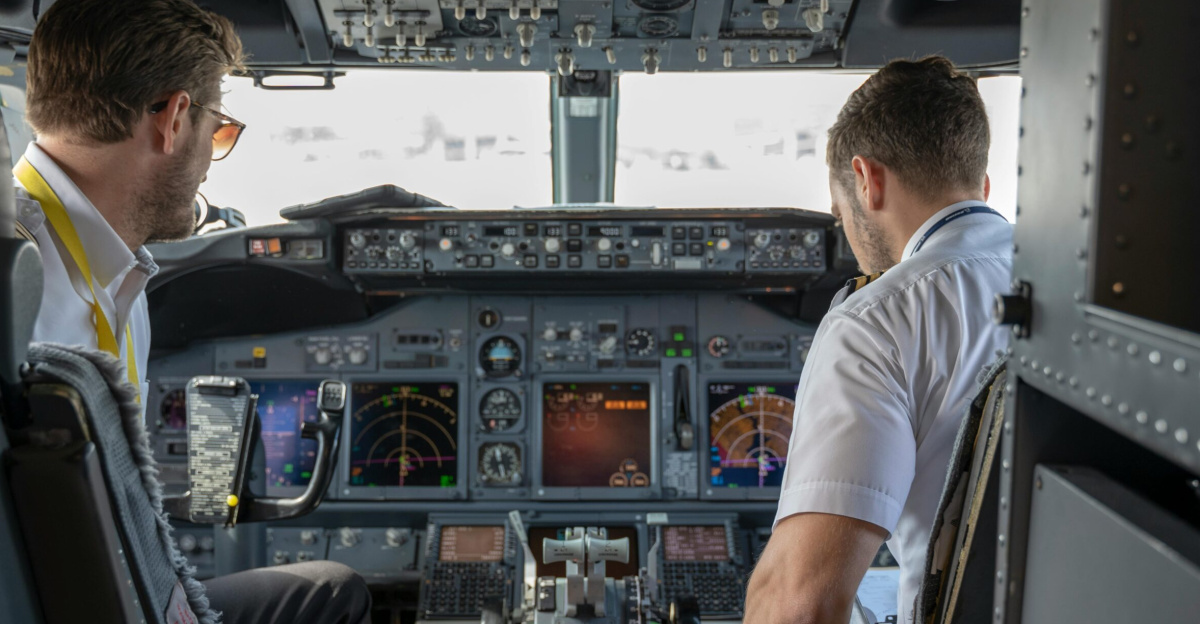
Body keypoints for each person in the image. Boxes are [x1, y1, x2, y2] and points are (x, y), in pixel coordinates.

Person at [14, 1, 372, 623]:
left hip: (88, 588)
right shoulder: (19, 293)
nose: (213, 155)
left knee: (326, 590)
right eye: (221, 131)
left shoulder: (102, 268)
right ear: (176, 118)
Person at [743, 56, 1013, 624]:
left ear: (866, 181)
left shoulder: (877, 322)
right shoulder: (1092, 295)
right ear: (981, 187)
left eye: (840, 214)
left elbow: (798, 606)